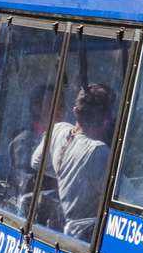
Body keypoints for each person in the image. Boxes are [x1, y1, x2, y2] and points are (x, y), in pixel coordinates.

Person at [37, 82, 117, 241]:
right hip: (87, 239)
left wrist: (67, 174)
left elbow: (37, 162)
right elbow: (125, 197)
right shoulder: (98, 151)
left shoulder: (58, 130)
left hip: (68, 233)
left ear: (75, 111)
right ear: (106, 119)